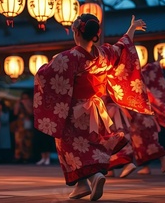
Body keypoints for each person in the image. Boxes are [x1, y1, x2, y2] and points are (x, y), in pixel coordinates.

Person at [34, 14, 151, 201]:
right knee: (91, 143)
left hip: (75, 111)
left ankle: (94, 176)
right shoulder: (103, 54)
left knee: (72, 147)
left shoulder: (69, 57)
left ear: (77, 32)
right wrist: (132, 28)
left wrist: (43, 68)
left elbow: (45, 76)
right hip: (96, 109)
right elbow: (122, 47)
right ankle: (81, 186)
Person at [13, 92, 34, 163]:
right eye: (23, 98)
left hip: (27, 124)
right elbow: (15, 113)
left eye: (26, 98)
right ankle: (18, 156)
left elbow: (30, 112)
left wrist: (25, 104)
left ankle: (26, 157)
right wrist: (17, 104)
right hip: (19, 125)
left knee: (27, 141)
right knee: (18, 141)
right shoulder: (19, 103)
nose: (24, 99)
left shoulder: (30, 103)